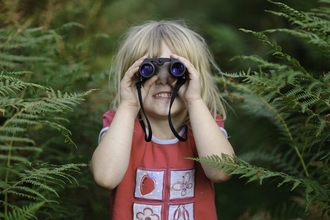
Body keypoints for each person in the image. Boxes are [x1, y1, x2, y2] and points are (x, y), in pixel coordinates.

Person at [91, 20, 235, 220]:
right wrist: (129, 105)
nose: (162, 79)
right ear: (131, 75)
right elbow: (105, 177)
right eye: (148, 69)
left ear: (195, 76)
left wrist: (194, 100)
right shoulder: (120, 126)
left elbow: (222, 171)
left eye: (177, 69)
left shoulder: (205, 127)